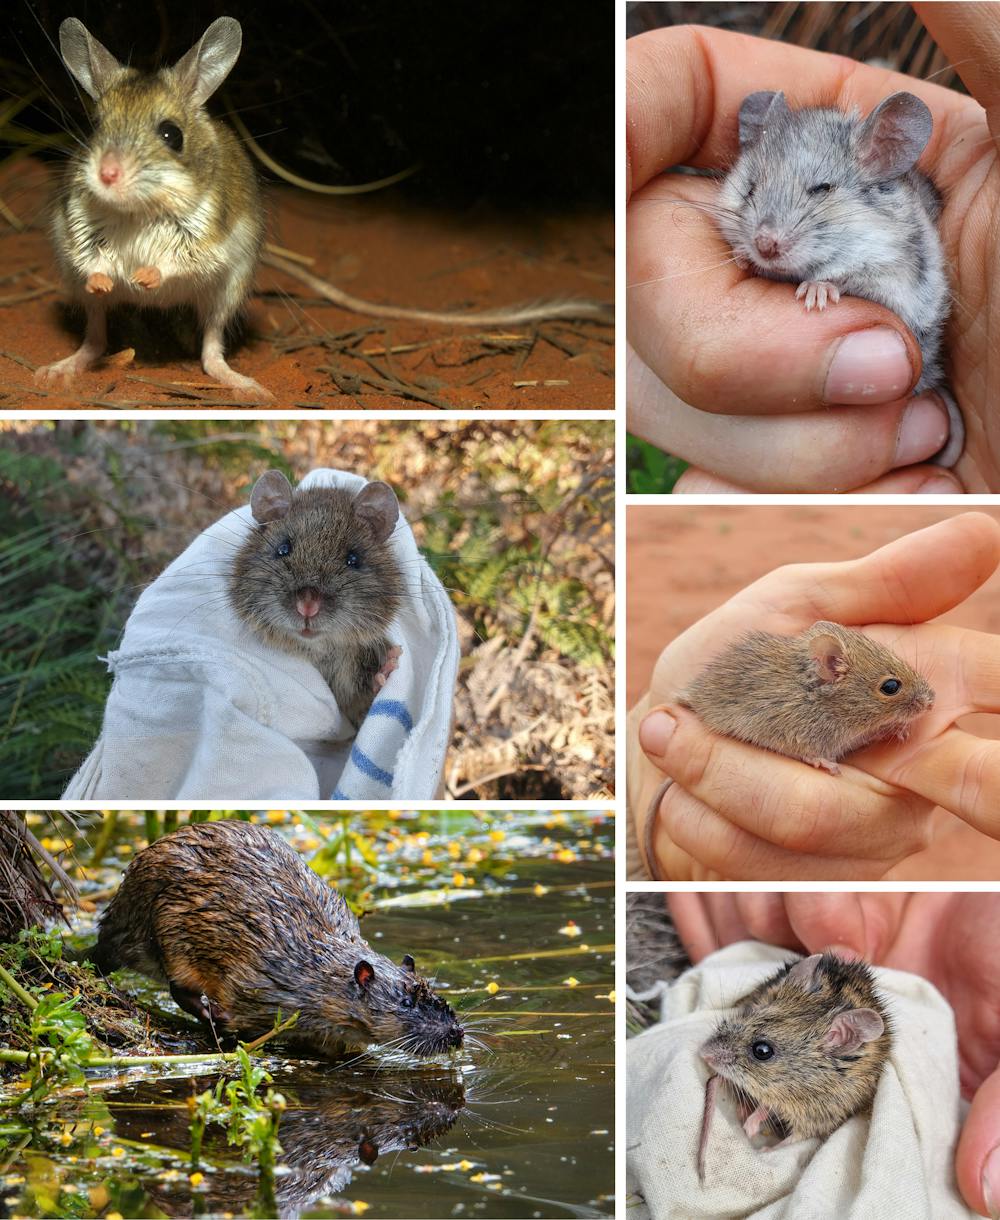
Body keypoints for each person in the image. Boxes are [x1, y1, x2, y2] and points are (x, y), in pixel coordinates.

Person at [627, 3, 1000, 492]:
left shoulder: (894, 217)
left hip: (921, 349)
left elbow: (903, 289)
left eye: (819, 193)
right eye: (756, 190)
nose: (768, 236)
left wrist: (835, 281)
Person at [629, 512, 1000, 880]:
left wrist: (883, 725)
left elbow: (849, 736)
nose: (921, 701)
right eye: (890, 689)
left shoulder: (837, 708)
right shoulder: (812, 715)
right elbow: (811, 740)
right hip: (709, 715)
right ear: (830, 673)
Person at [667, 891, 1000, 1218]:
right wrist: (760, 1104)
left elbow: (816, 1119)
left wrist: (787, 1132)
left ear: (838, 1047)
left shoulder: (833, 1089)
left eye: (762, 1052)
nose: (711, 1054)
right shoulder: (786, 1007)